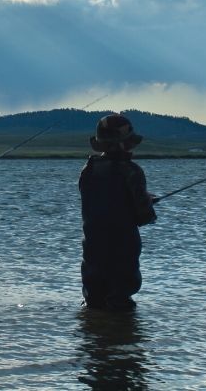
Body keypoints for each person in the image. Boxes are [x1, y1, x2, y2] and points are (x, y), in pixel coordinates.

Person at [79, 113, 157, 310]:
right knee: (120, 300)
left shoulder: (88, 170)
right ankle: (121, 335)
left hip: (92, 244)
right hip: (122, 247)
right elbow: (144, 216)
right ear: (125, 144)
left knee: (93, 301)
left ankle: (95, 333)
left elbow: (99, 201)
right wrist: (147, 202)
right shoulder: (131, 171)